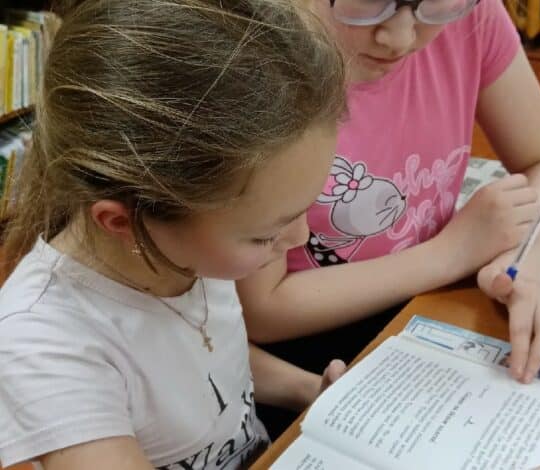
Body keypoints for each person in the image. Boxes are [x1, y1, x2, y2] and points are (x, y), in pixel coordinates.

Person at [0, 0, 348, 468]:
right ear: (123, 221)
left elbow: (204, 362)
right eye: (264, 236)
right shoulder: (43, 347)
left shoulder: (186, 248)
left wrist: (309, 390)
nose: (300, 238)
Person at [239, 0, 540, 392]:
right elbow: (261, 311)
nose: (399, 38)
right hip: (310, 346)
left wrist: (524, 264)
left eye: (436, 5)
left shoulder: (473, 15)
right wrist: (450, 254)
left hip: (428, 306)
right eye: (369, 3)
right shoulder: (261, 61)